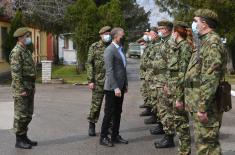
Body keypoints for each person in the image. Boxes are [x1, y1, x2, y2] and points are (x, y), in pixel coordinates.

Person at [185, 9, 226, 155]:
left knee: (207, 146)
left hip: (207, 105)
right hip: (199, 102)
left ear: (204, 23)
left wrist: (202, 107)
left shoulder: (212, 43)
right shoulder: (203, 42)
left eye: (196, 21)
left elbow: (210, 79)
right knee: (205, 144)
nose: (193, 24)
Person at [100, 27, 128, 147]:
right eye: (122, 35)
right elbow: (109, 71)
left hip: (120, 86)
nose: (123, 36)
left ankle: (115, 135)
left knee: (118, 112)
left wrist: (125, 84)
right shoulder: (109, 50)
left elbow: (123, 68)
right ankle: (103, 137)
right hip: (112, 88)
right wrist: (116, 87)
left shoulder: (120, 49)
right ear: (116, 36)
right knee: (109, 113)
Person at [9, 27, 37, 149]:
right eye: (27, 36)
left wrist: (33, 86)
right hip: (22, 89)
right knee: (21, 115)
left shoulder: (26, 51)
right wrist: (21, 89)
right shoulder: (16, 52)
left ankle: (24, 137)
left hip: (29, 87)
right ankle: (19, 140)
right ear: (20, 37)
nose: (29, 38)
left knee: (28, 114)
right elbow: (16, 74)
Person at [167, 21, 193, 154]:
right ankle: (183, 151)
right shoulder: (178, 47)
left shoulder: (184, 48)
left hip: (180, 94)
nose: (171, 35)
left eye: (172, 32)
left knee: (182, 124)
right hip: (175, 91)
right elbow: (173, 72)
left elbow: (183, 76)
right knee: (178, 123)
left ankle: (185, 151)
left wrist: (179, 98)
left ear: (176, 33)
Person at [153, 20, 175, 148]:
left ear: (167, 29)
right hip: (159, 82)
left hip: (165, 83)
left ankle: (169, 137)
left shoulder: (171, 43)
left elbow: (171, 66)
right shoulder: (163, 42)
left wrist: (167, 83)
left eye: (161, 28)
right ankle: (167, 134)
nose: (159, 31)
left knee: (167, 110)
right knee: (162, 110)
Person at [86, 26, 112, 136]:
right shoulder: (94, 47)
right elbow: (89, 63)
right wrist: (90, 80)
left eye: (109, 33)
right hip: (98, 81)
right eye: (105, 34)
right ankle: (92, 124)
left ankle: (109, 126)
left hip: (111, 82)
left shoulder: (113, 46)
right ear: (101, 35)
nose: (107, 35)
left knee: (110, 106)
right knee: (96, 105)